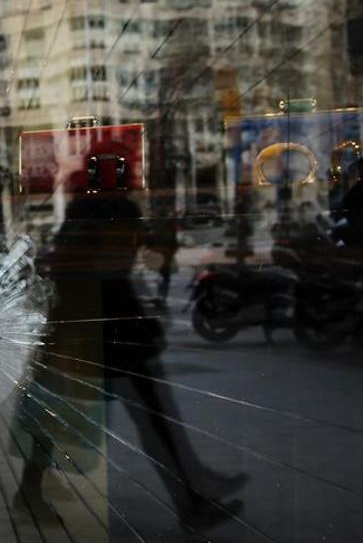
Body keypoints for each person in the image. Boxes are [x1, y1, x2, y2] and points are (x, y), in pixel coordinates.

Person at [13, 170, 246, 531]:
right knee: (154, 421)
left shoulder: (78, 224)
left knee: (64, 419)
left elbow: (92, 278)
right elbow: (116, 279)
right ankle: (193, 499)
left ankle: (194, 488)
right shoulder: (107, 222)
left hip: (85, 341)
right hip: (110, 343)